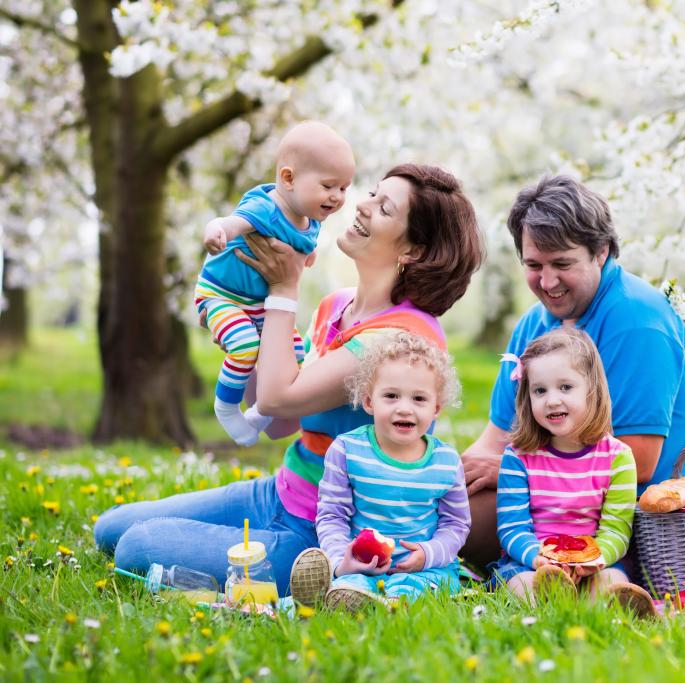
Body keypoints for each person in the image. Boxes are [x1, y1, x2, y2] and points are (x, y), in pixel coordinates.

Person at [94, 163, 483, 596]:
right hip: (280, 493)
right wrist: (249, 321)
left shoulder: (399, 339)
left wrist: (283, 291)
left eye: (384, 207)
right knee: (110, 529)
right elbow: (281, 422)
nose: (362, 204)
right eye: (372, 193)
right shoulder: (338, 306)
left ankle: (303, 583)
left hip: (324, 535)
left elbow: (279, 399)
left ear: (412, 251)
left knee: (136, 547)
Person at [461, 175, 685, 570]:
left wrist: (510, 470)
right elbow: (495, 437)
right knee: (437, 501)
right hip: (544, 499)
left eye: (562, 264)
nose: (547, 281)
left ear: (601, 251)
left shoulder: (639, 320)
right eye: (534, 265)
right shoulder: (533, 326)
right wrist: (434, 480)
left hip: (620, 514)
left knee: (463, 516)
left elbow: (637, 461)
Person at [196, 121, 355, 446]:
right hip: (222, 295)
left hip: (258, 304)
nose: (337, 197)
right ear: (288, 178)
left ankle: (258, 415)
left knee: (294, 355)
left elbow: (302, 252)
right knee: (244, 347)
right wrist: (216, 232)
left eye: (344, 188)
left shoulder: (310, 220)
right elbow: (230, 222)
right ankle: (226, 406)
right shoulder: (266, 208)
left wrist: (303, 261)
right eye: (329, 186)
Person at [287, 333, 469, 611]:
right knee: (352, 585)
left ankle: (389, 602)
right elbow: (332, 515)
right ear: (370, 402)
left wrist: (428, 554)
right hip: (361, 565)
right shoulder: (347, 451)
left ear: (436, 409)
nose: (404, 408)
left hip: (426, 570)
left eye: (419, 399)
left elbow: (455, 525)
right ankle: (342, 592)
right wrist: (341, 562)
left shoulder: (445, 462)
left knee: (415, 588)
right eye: (391, 396)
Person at [491, 328, 656, 616]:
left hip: (591, 565)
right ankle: (552, 601)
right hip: (531, 563)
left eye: (565, 387)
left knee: (613, 580)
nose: (552, 400)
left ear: (591, 389)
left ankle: (604, 609)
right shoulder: (518, 456)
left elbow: (616, 530)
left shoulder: (617, 457)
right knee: (522, 585)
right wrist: (538, 559)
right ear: (527, 397)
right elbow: (512, 528)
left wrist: (596, 559)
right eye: (540, 391)